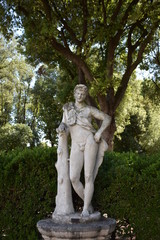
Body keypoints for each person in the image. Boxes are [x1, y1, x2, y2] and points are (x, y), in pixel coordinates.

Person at [57, 84, 111, 216]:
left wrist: (99, 132)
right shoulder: (68, 108)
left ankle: (86, 208)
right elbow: (64, 123)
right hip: (75, 144)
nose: (80, 96)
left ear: (85, 96)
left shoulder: (89, 109)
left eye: (83, 94)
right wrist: (61, 127)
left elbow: (107, 118)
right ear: (74, 94)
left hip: (89, 141)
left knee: (88, 176)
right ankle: (89, 203)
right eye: (78, 93)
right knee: (74, 178)